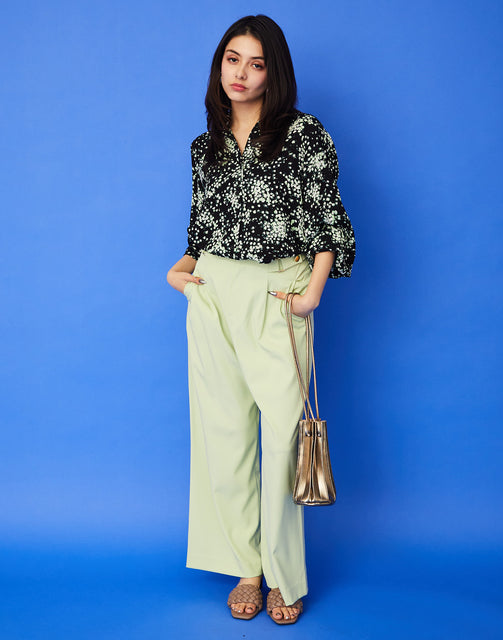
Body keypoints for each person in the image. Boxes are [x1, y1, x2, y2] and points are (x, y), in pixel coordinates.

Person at [166, 14, 355, 625]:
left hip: (279, 292)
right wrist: (180, 272)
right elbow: (201, 231)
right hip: (215, 292)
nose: (241, 74)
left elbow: (329, 222)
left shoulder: (303, 134)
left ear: (274, 73)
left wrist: (312, 294)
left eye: (256, 63)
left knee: (281, 442)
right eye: (232, 59)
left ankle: (284, 576)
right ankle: (246, 568)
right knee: (224, 439)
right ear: (219, 65)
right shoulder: (205, 145)